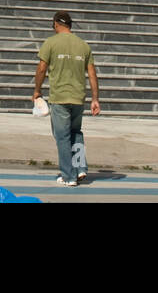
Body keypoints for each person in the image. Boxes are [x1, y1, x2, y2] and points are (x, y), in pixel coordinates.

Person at [32, 11, 100, 186]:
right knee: (76, 133)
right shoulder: (83, 45)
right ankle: (80, 168)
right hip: (78, 98)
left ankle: (68, 176)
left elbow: (41, 69)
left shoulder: (50, 43)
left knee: (62, 137)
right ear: (70, 24)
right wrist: (95, 99)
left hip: (60, 98)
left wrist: (37, 91)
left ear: (55, 24)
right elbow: (92, 74)